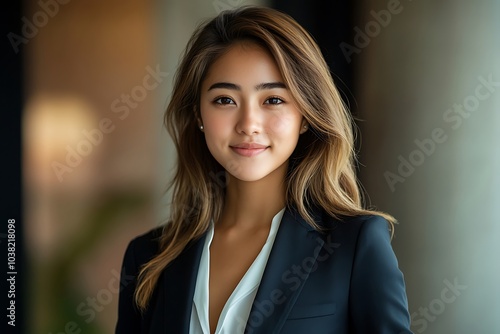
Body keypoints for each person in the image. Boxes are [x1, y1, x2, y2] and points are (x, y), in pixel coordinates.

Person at [116, 6, 412, 334]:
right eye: (225, 100)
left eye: (272, 100)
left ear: (305, 115)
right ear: (198, 115)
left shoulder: (354, 244)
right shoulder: (148, 257)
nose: (248, 125)